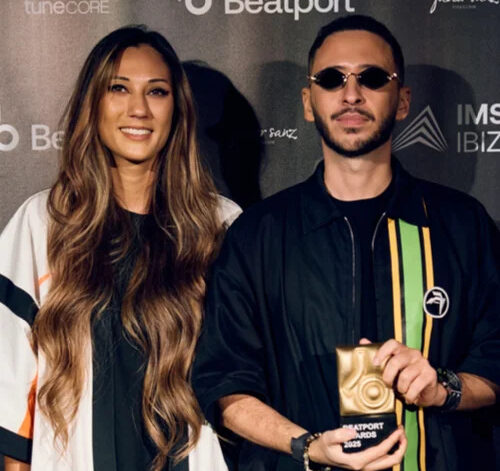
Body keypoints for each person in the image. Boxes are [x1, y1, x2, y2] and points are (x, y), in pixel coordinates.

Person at [192, 14, 500, 471]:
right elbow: (223, 384)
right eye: (332, 79)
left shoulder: (463, 225)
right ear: (308, 102)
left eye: (372, 78)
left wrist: (444, 388)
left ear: (402, 101)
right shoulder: (256, 236)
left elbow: (495, 358)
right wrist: (308, 446)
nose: (351, 94)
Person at [0, 25, 240, 471]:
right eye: (119, 88)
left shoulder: (221, 226)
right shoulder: (43, 224)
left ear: (178, 109)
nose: (139, 109)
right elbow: (12, 384)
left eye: (157, 92)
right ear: (93, 103)